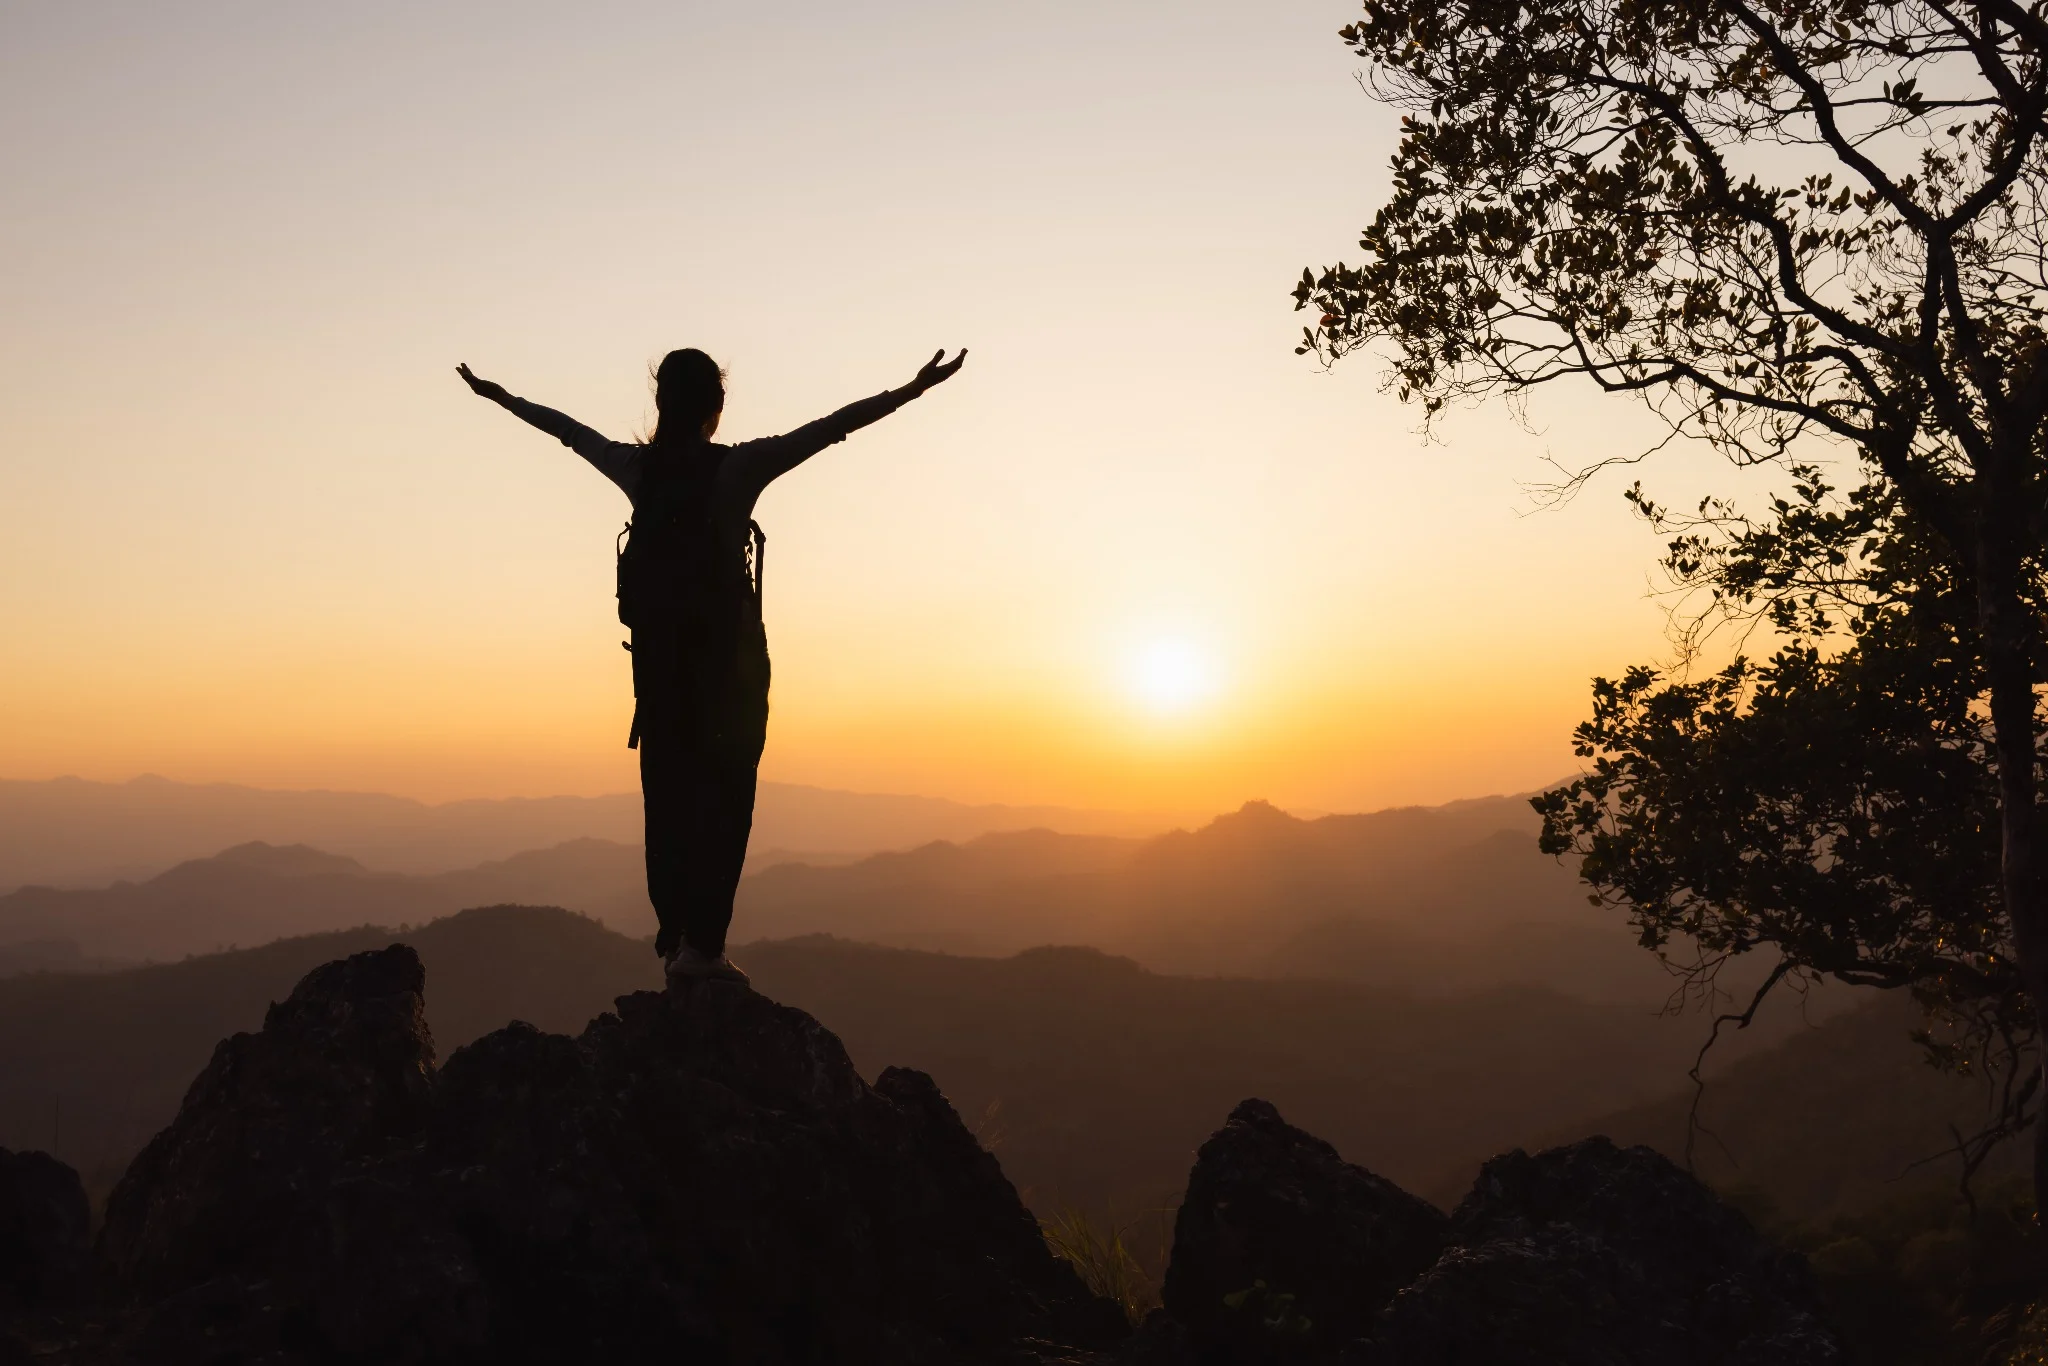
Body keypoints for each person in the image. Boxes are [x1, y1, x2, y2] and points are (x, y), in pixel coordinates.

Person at [457, 347, 966, 985]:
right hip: (732, 667)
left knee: (666, 793)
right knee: (725, 796)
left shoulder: (637, 469)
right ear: (716, 407)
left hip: (660, 667)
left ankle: (676, 940)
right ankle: (705, 947)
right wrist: (910, 390)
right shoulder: (739, 467)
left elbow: (567, 430)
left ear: (660, 402)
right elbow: (831, 428)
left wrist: (499, 396)